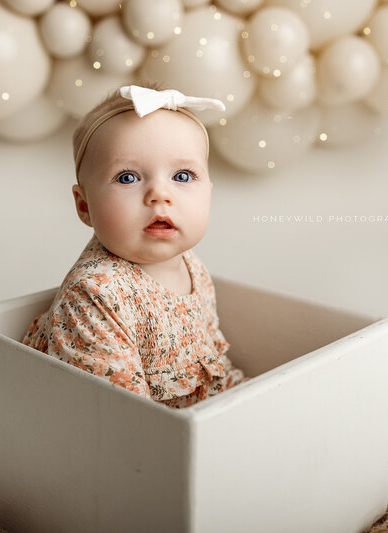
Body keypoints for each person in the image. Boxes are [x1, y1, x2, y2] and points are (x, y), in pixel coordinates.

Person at [21, 83, 248, 408]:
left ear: (210, 190)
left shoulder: (190, 265)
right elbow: (123, 416)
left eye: (183, 176)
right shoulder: (95, 294)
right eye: (128, 177)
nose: (159, 194)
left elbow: (212, 364)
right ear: (84, 206)